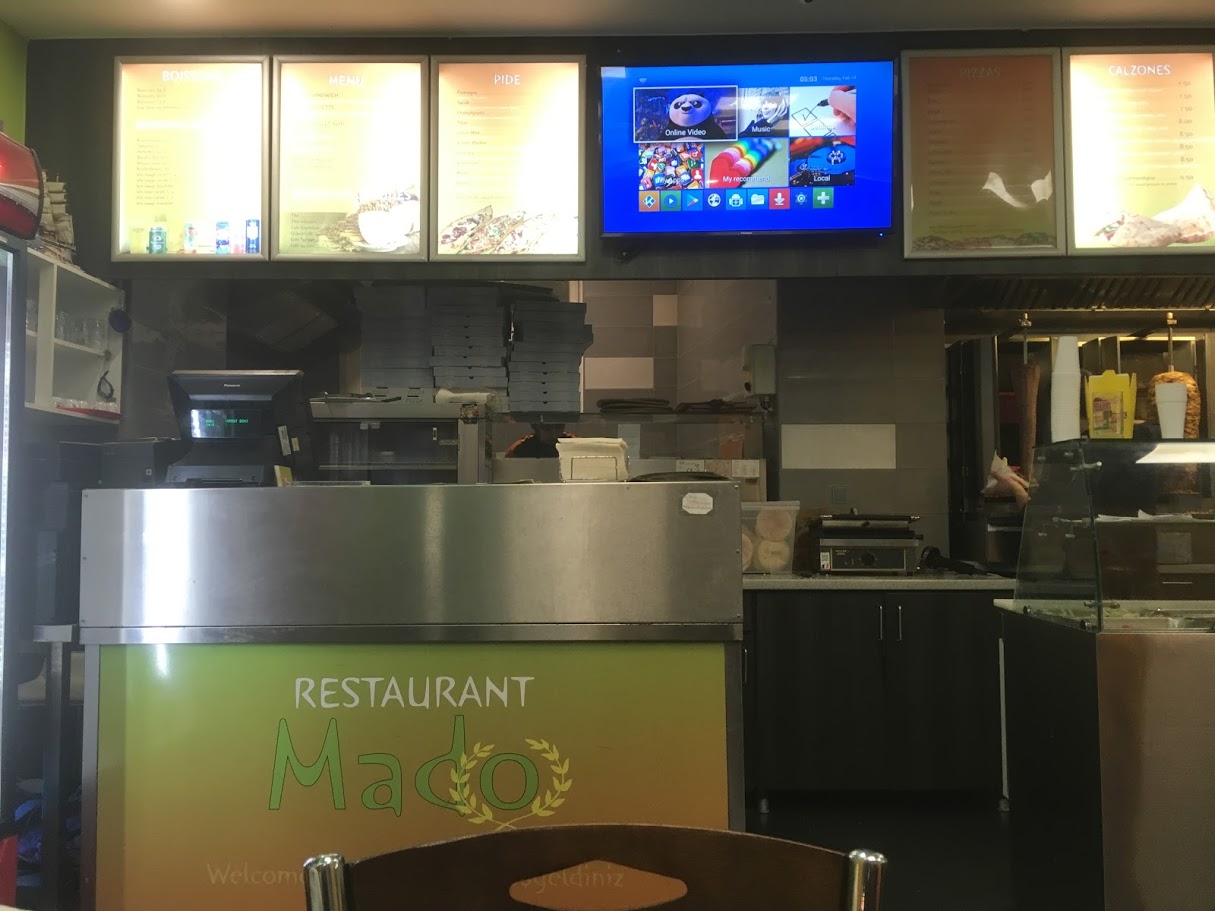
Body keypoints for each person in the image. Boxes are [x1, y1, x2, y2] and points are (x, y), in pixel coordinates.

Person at [505, 424, 573, 459]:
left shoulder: (573, 443)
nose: (554, 433)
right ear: (535, 426)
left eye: (559, 427)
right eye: (547, 428)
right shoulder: (520, 448)